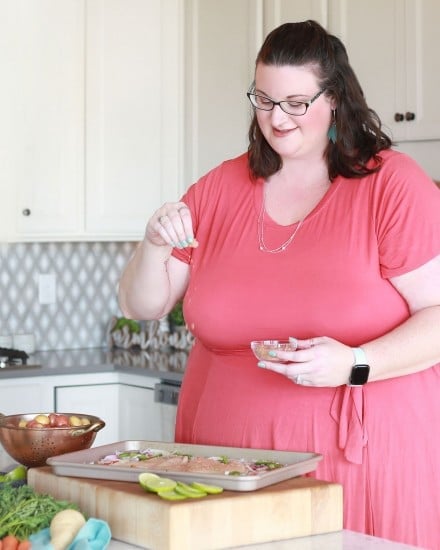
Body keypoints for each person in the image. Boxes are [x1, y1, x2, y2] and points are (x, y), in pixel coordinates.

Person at [118, 20, 440, 549]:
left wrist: (356, 363)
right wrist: (153, 242)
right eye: (264, 100)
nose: (276, 118)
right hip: (223, 462)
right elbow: (144, 304)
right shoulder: (220, 187)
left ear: (334, 98)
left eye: (296, 102)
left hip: (355, 464)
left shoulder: (391, 185)